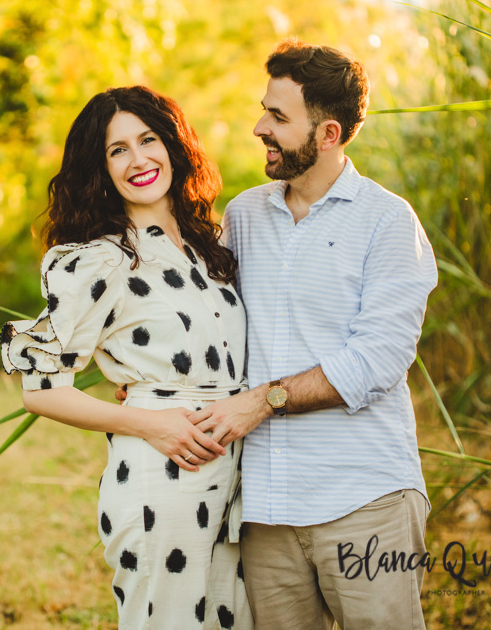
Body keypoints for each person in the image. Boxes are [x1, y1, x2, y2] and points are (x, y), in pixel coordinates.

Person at [188, 39, 438, 629]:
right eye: (264, 110)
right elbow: (207, 320)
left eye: (278, 117)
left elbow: (377, 359)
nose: (259, 127)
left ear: (328, 134)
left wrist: (263, 400)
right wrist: (155, 384)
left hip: (365, 503)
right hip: (266, 514)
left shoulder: (387, 221)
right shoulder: (244, 215)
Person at [0, 86, 253, 630]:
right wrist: (148, 423)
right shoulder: (100, 260)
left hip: (236, 481)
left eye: (148, 139)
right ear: (100, 168)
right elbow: (41, 390)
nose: (138, 159)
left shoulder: (208, 247)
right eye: (118, 150)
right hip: (162, 476)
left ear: (174, 145)